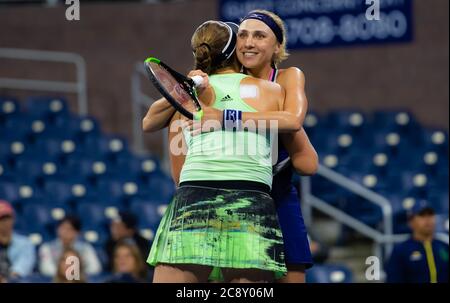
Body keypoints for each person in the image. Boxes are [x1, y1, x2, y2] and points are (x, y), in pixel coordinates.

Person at [142, 11, 318, 283]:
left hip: (276, 196)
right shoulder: (202, 93)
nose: (249, 42)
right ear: (233, 47)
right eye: (243, 35)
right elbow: (152, 124)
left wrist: (227, 118)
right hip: (252, 197)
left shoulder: (286, 80)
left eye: (259, 35)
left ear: (277, 46)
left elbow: (304, 152)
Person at [385, 200, 449, 283]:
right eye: (422, 215)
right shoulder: (401, 251)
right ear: (411, 222)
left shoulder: (444, 247)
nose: (427, 219)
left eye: (430, 215)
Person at [0, 200, 36, 282]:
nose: (5, 222)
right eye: (1, 219)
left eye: (8, 218)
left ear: (13, 219)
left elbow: (22, 268)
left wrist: (7, 280)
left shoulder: (25, 243)